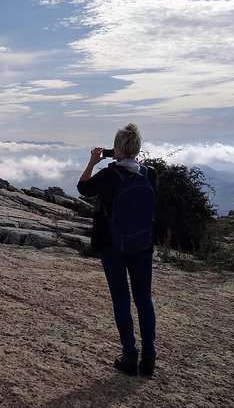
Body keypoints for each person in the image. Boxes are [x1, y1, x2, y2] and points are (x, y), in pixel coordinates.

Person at [77, 123, 159, 376]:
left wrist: (93, 162)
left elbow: (83, 188)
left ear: (117, 149)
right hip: (142, 244)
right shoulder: (150, 174)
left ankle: (129, 355)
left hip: (112, 245)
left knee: (121, 299)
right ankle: (149, 358)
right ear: (137, 149)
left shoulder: (109, 175)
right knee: (144, 299)